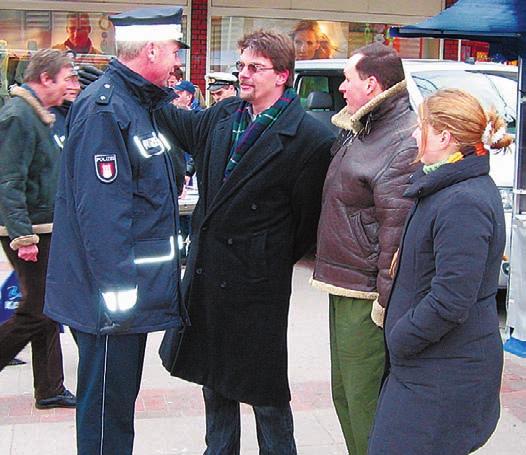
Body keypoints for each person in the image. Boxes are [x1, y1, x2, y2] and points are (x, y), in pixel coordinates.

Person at [157, 30, 334, 454]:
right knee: (213, 378)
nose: (243, 76)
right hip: (208, 273)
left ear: (283, 76)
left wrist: (263, 257)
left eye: (254, 68)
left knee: (264, 389)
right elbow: (176, 123)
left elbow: (305, 224)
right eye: (241, 67)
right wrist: (143, 83)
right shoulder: (223, 116)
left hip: (256, 285)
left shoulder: (310, 139)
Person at [43, 7, 188, 454]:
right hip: (113, 303)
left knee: (117, 407)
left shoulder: (140, 106)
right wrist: (117, 299)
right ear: (150, 50)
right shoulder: (108, 109)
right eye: (172, 51)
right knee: (107, 415)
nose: (176, 61)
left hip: (131, 295)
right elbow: (102, 215)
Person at [368, 88, 511, 454]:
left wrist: (401, 338)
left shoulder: (463, 199)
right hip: (431, 367)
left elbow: (451, 299)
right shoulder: (448, 186)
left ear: (445, 137)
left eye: (422, 127)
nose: (415, 134)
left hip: (443, 374)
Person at [310, 42, 418, 455]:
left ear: (371, 85)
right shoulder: (365, 128)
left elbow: (397, 231)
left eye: (347, 79)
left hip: (367, 296)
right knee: (345, 394)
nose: (340, 88)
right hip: (343, 283)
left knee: (364, 399)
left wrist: (383, 305)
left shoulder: (400, 138)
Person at [0, 48, 78, 409]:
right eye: (66, 79)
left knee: (48, 308)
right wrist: (23, 235)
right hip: (29, 230)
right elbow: (8, 180)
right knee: (37, 310)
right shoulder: (18, 115)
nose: (70, 87)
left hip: (42, 226)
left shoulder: (39, 115)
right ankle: (49, 386)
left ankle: (49, 388)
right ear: (45, 79)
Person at [50, 65, 81, 149]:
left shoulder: (82, 114)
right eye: (67, 80)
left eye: (76, 81)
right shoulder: (43, 115)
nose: (74, 87)